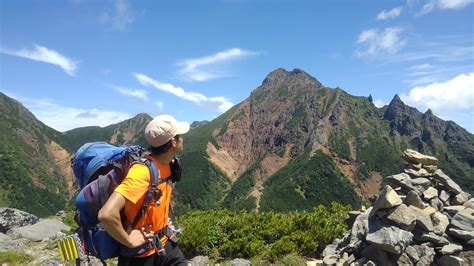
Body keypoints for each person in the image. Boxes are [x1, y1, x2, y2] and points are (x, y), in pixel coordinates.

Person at [98, 114, 189, 266]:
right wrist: (129, 240)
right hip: (141, 255)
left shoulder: (169, 163)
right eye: (179, 136)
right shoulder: (141, 172)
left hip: (165, 243)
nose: (182, 139)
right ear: (173, 141)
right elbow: (106, 214)